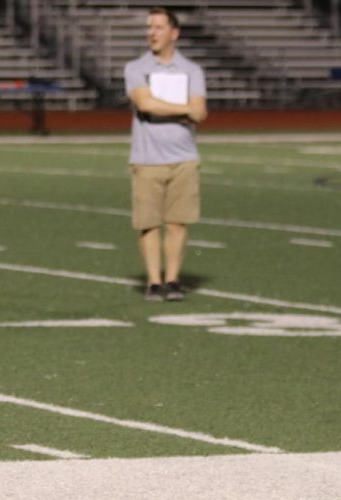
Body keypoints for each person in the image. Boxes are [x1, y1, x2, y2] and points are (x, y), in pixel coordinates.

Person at [124, 7, 207, 301]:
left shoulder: (192, 70)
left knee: (177, 222)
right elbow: (146, 104)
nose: (152, 32)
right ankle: (154, 281)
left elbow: (201, 110)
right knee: (148, 223)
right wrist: (183, 108)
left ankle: (173, 280)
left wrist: (177, 108)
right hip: (147, 158)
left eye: (158, 27)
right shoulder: (136, 68)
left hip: (184, 157)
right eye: (149, 27)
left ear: (174, 33)